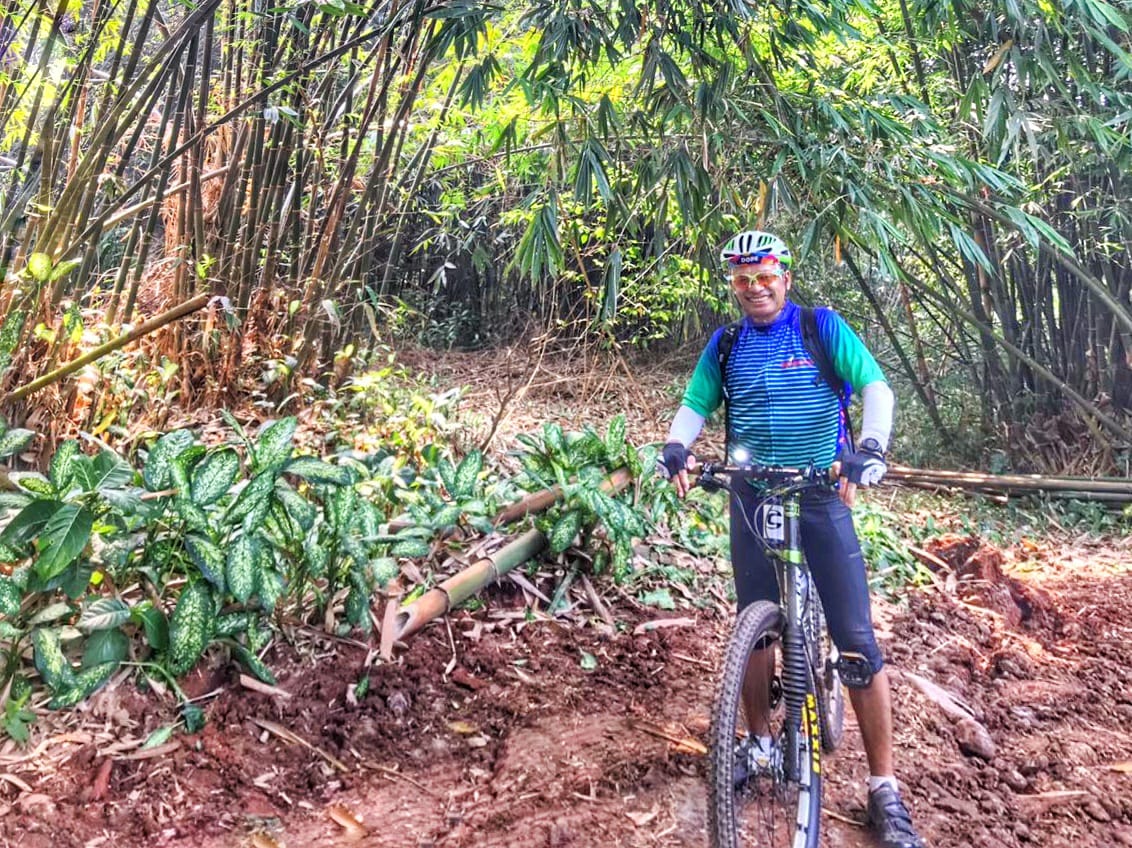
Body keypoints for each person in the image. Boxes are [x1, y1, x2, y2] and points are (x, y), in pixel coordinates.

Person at [658, 230, 925, 848]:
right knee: (754, 628)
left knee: (855, 642)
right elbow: (695, 405)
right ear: (734, 285)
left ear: (785, 277)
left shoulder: (820, 327)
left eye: (765, 276)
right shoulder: (726, 344)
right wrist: (676, 446)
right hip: (752, 494)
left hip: (820, 492)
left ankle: (884, 788)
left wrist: (869, 448)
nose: (755, 288)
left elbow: (875, 388)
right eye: (743, 280)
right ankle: (758, 742)